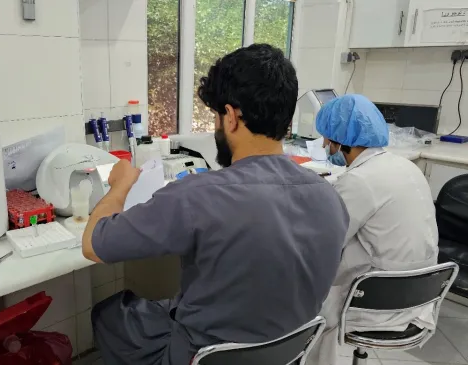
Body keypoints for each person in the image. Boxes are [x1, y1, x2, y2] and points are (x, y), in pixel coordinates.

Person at [82, 44, 350, 365]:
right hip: (286, 353)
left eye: (216, 118)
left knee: (110, 313)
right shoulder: (331, 198)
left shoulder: (199, 196)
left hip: (200, 357)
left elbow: (94, 244)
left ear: (232, 117)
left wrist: (121, 184)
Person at [307, 94, 439, 365]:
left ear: (343, 141)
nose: (324, 145)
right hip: (421, 296)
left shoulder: (359, 181)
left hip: (379, 302)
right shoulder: (405, 167)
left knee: (306, 300)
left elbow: (324, 242)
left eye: (328, 139)